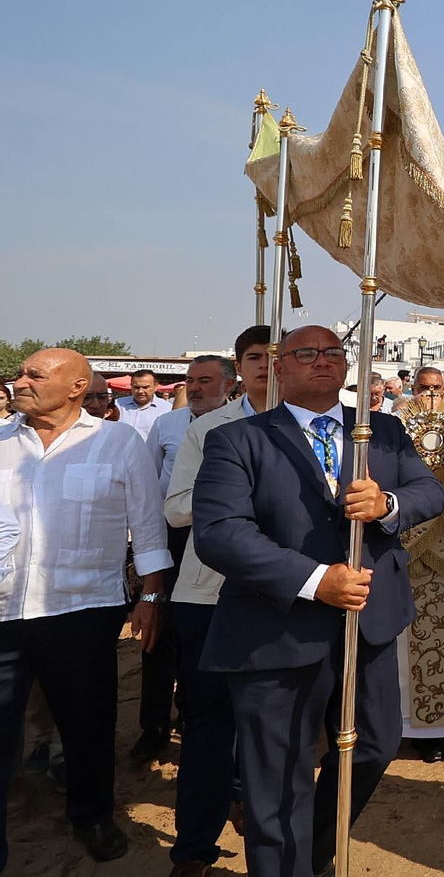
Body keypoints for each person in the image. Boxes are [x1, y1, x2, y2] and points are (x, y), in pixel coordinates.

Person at [190, 325, 444, 877]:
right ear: (279, 367)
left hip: (369, 623)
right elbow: (219, 532)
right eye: (306, 353)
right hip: (275, 631)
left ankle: (308, 851)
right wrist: (312, 579)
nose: (323, 361)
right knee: (279, 774)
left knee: (375, 746)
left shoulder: (382, 431)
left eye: (333, 352)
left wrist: (387, 503)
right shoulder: (240, 439)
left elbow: (430, 493)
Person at [0, 349, 171, 867]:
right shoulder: (2, 441)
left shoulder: (117, 443)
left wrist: (150, 596)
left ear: (77, 387)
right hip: (4, 611)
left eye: (34, 374)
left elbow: (147, 527)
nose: (19, 381)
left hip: (82, 609)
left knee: (87, 724)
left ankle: (91, 815)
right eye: (21, 373)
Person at [161, 325, 271, 877]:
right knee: (207, 726)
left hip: (285, 596)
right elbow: (177, 508)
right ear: (239, 366)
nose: (267, 367)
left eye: (281, 356)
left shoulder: (321, 428)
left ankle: (273, 836)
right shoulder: (209, 430)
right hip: (209, 594)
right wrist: (235, 491)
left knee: (273, 727)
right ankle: (194, 849)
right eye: (255, 357)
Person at [129, 354, 239, 767]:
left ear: (229, 385)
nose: (194, 388)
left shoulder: (241, 426)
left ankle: (196, 718)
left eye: (205, 380)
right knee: (158, 636)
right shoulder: (167, 425)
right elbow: (149, 489)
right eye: (190, 380)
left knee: (203, 635)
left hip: (215, 540)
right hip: (171, 537)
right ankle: (153, 726)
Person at [393, 367, 444, 762]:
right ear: (411, 388)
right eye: (422, 388)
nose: (429, 396)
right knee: (394, 647)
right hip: (400, 552)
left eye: (436, 388)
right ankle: (394, 723)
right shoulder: (393, 429)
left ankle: (434, 729)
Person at [116, 367, 172, 439]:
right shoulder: (117, 405)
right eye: (136, 387)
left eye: (145, 387)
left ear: (155, 386)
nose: (140, 391)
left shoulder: (167, 409)